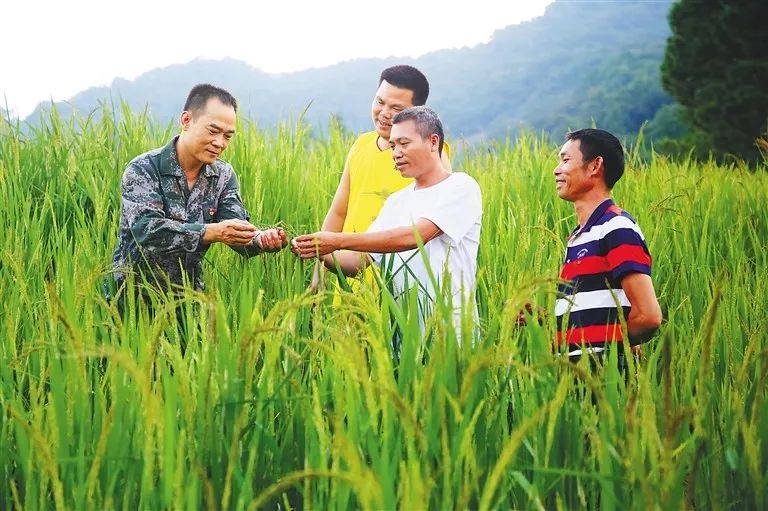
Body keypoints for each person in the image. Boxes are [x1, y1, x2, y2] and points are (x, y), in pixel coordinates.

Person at [294, 106, 481, 339]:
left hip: (452, 335)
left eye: (404, 143)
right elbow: (358, 262)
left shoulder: (461, 187)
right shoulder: (396, 202)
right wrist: (316, 247)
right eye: (393, 146)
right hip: (403, 340)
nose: (396, 153)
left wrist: (338, 239)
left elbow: (416, 236)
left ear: (433, 142)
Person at [109, 83, 287, 297]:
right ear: (186, 120)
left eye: (228, 136)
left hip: (189, 300)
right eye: (213, 131)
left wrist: (260, 239)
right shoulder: (144, 168)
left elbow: (234, 227)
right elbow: (148, 230)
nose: (219, 143)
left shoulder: (223, 175)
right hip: (132, 299)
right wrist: (210, 232)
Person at [312, 65, 452, 291]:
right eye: (380, 102)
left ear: (417, 112)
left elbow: (435, 228)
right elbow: (339, 212)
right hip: (350, 277)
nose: (384, 113)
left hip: (402, 284)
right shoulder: (361, 145)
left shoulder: (431, 154)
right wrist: (318, 272)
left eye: (396, 108)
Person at [553, 128, 662, 362]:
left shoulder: (616, 227)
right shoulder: (577, 238)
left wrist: (604, 354)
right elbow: (589, 318)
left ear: (595, 166)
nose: (557, 169)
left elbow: (648, 316)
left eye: (565, 160)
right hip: (573, 380)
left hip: (603, 379)